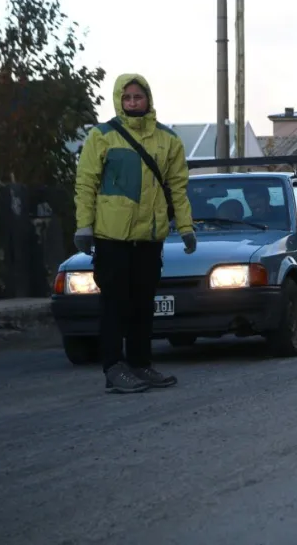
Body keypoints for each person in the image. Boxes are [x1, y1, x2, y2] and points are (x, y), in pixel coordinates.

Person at [73, 74, 197, 394]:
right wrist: (84, 226)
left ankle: (141, 364)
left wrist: (186, 228)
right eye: (126, 98)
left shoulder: (168, 140)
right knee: (114, 303)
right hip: (112, 237)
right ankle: (114, 368)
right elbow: (85, 184)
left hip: (149, 237)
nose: (132, 103)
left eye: (137, 97)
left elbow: (178, 189)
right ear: (118, 100)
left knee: (142, 304)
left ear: (148, 99)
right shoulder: (101, 137)